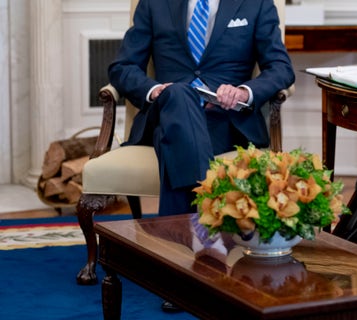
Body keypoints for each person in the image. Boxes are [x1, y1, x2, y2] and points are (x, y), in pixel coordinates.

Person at [109, 0, 295, 217]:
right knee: (179, 94)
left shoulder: (256, 3)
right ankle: (205, 221)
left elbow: (280, 68)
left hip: (225, 121)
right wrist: (155, 89)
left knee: (172, 137)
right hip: (166, 110)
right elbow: (122, 67)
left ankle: (178, 234)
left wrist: (244, 92)